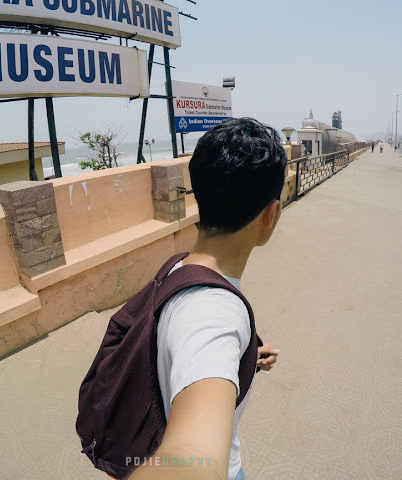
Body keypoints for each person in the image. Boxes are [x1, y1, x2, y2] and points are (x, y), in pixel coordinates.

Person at [130, 118, 284, 480]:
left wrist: (244, 357)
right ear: (271, 215)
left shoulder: (179, 267)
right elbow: (189, 459)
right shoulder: (216, 315)